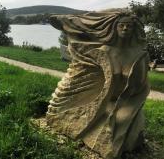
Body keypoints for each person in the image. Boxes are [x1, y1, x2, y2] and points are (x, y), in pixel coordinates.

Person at [46, 10, 149, 159]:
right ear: (114, 28)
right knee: (111, 127)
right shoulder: (103, 51)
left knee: (121, 124)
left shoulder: (139, 55)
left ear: (134, 29)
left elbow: (141, 85)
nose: (125, 29)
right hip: (100, 101)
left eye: (129, 26)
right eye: (121, 25)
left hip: (128, 102)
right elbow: (81, 72)